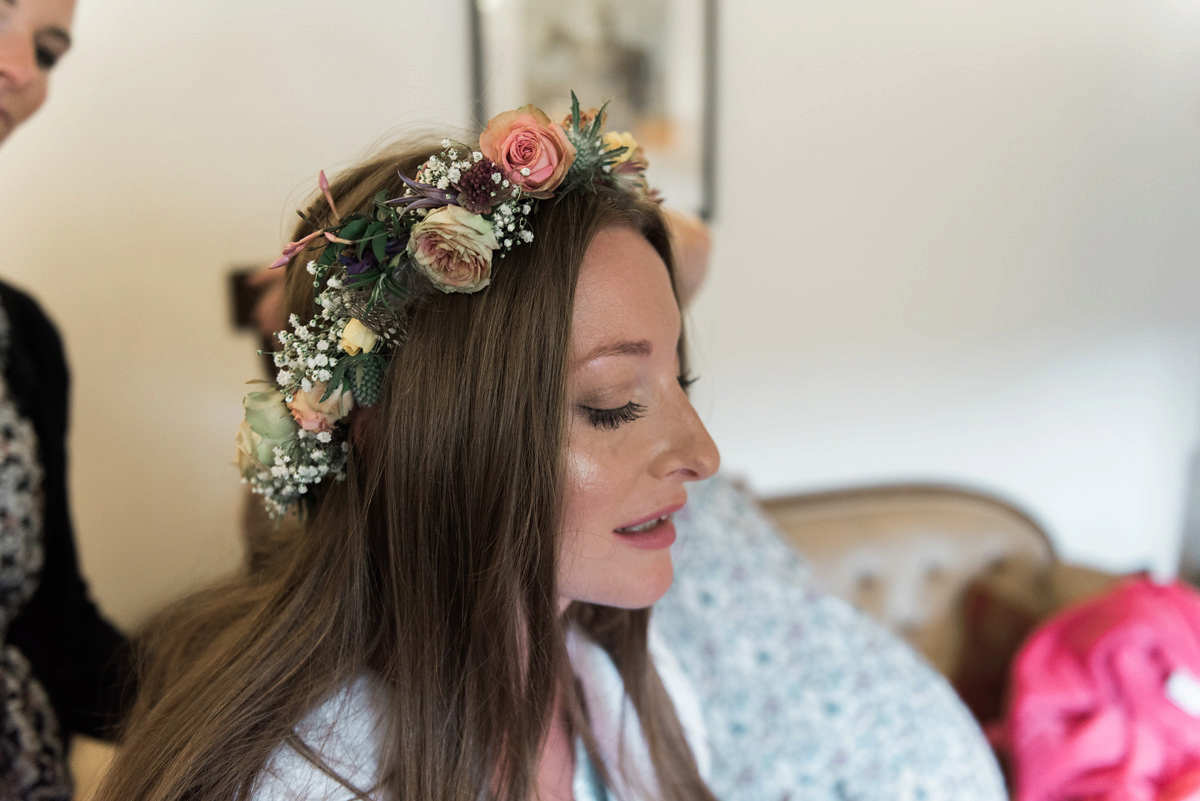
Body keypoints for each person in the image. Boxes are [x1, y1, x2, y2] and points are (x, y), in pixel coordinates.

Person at [99, 98, 721, 801]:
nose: (704, 453)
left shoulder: (641, 697)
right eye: (611, 401)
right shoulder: (283, 782)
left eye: (683, 380)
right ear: (401, 433)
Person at [1, 1, 133, 799]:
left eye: (48, 51)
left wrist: (267, 690)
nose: (19, 66)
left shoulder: (22, 337)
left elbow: (58, 633)